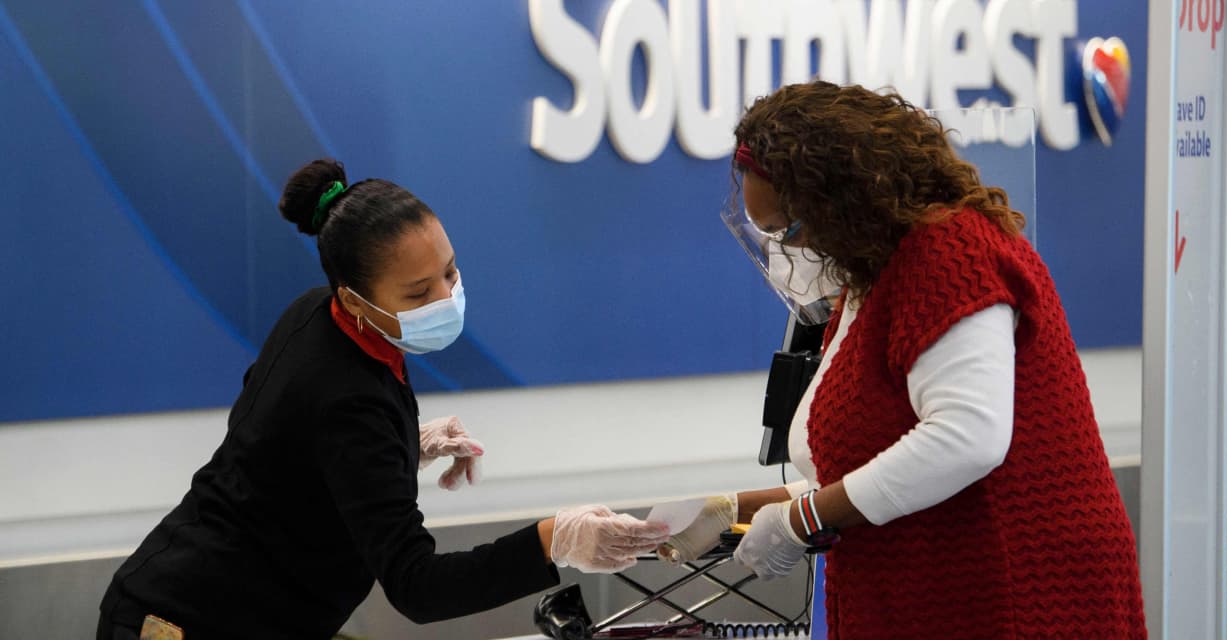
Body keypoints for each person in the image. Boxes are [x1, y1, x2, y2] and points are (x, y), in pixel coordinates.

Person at [97, 159, 670, 639]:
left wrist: (398, 447)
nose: (444, 298)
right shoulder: (348, 397)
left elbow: (275, 441)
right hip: (189, 620)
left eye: (449, 273)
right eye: (418, 293)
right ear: (354, 299)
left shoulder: (317, 314)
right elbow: (418, 586)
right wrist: (553, 540)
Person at [662, 82, 1146, 638]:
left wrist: (802, 519)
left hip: (1019, 597)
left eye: (787, 230)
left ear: (839, 199)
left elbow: (966, 438)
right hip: (942, 596)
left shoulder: (952, 252)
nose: (785, 251)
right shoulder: (872, 279)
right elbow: (874, 470)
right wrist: (734, 509)